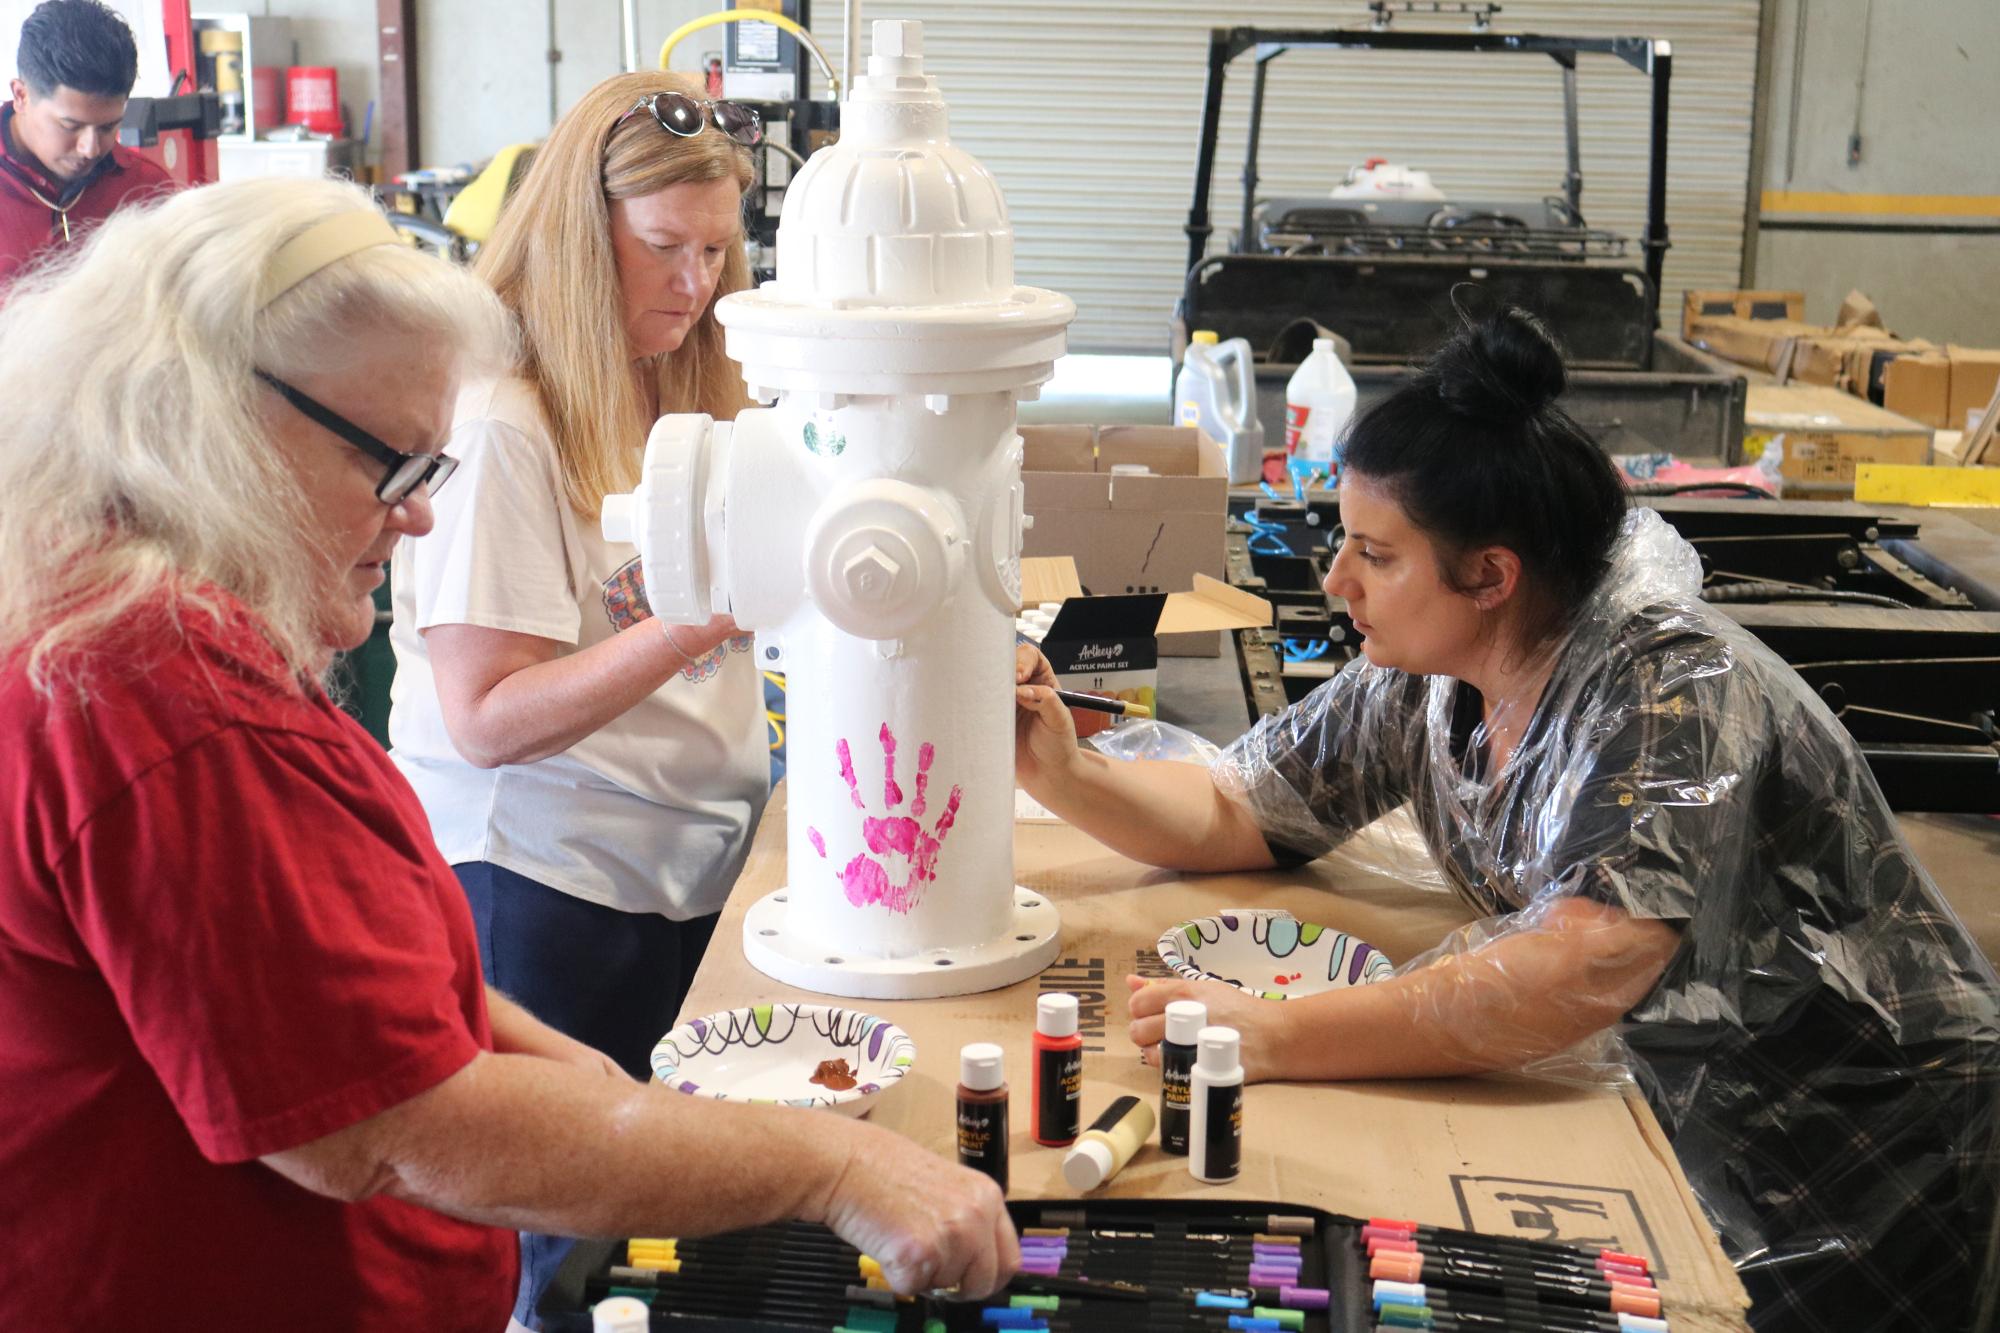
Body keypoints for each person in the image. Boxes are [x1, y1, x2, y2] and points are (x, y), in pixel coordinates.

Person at [0, 177, 1016, 1333]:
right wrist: (829, 1169)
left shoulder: (145, 622)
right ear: (209, 425)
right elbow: (392, 1127)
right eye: (395, 467)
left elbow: (325, 986)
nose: (419, 516)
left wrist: (560, 1067)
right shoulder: (160, 700)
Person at [1013, 308, 2000, 1333]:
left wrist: (1276, 1033)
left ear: (1489, 574)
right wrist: (1064, 770)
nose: (1335, 580)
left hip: (1847, 1143)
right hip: (1677, 1098)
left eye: (1374, 555)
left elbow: (1588, 958)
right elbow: (1241, 807)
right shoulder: (1431, 675)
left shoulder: (1668, 695)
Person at [386, 69, 773, 1323]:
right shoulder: (505, 423)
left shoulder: (683, 379)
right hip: (548, 885)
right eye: (664, 247)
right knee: (553, 1260)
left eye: (718, 249)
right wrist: (699, 612)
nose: (696, 280)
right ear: (578, 232)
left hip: (681, 870)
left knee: (645, 1240)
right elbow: (486, 718)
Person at [1, 0, 170, 284]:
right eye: (71, 126)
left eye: (108, 127)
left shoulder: (147, 190)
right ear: (21, 96)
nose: (91, 149)